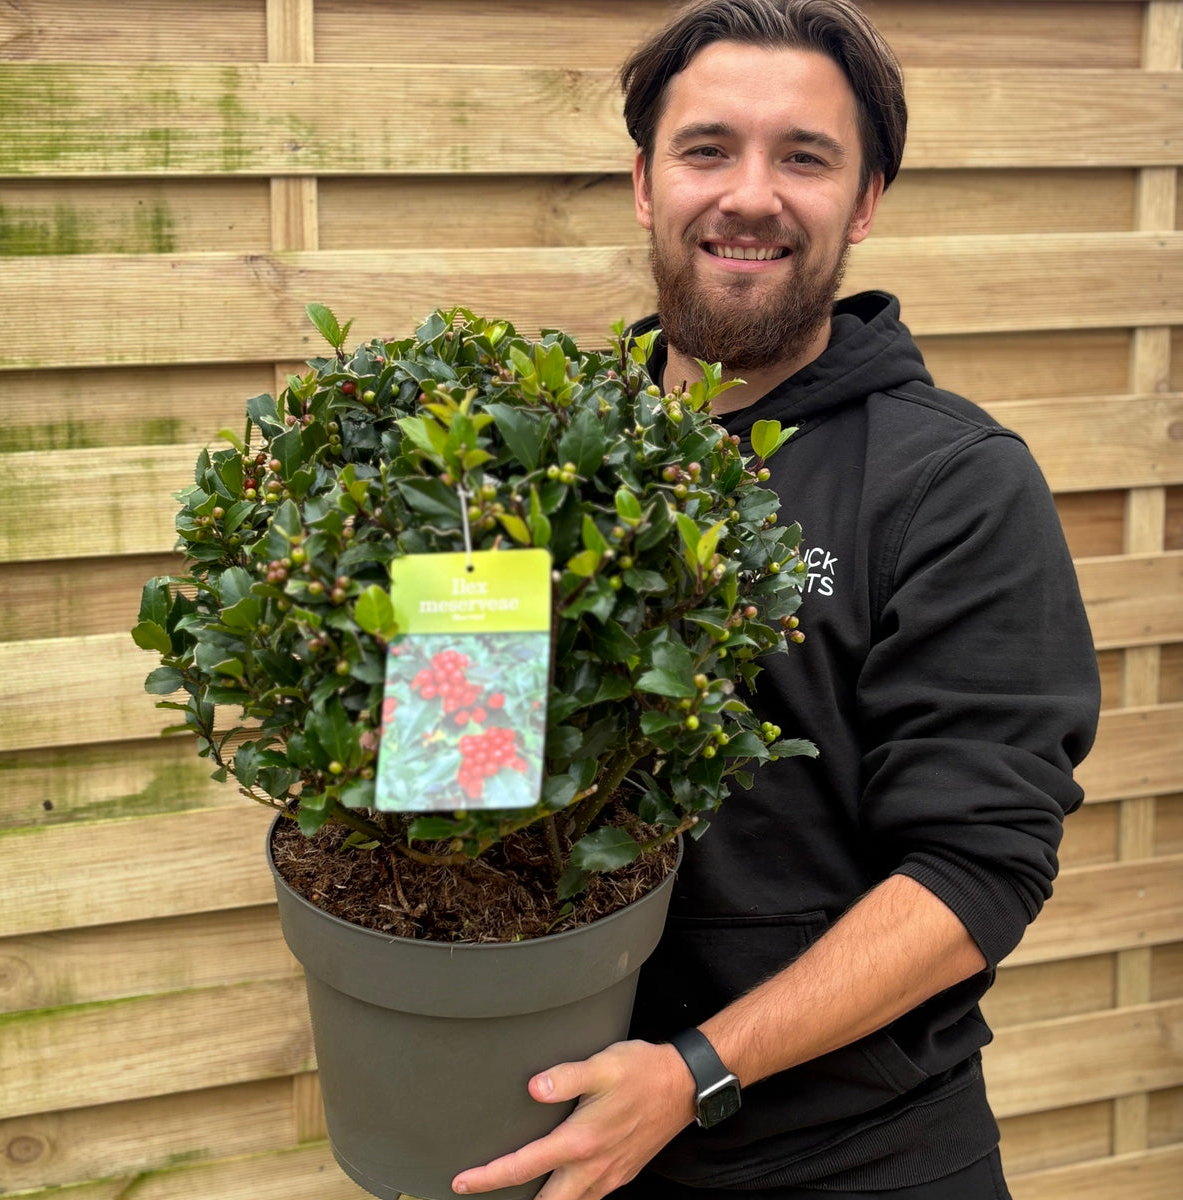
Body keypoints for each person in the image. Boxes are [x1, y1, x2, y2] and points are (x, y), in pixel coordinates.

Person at [451, 2, 1101, 1197]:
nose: (750, 196)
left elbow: (979, 869)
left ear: (864, 201)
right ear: (646, 182)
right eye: (708, 150)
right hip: (558, 1139)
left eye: (804, 157)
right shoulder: (532, 460)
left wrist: (693, 1071)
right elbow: (462, 770)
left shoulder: (953, 482)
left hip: (856, 1159)